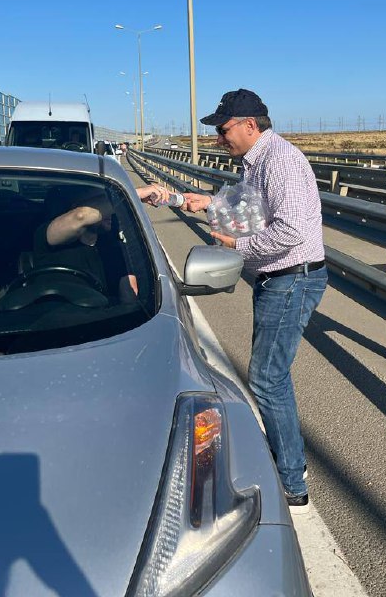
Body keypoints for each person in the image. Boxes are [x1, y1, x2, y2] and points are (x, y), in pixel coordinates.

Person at [183, 89, 326, 514]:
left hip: (291, 279)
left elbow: (291, 231)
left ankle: (291, 483)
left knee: (267, 378)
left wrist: (238, 245)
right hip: (279, 278)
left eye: (223, 129)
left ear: (250, 124)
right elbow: (253, 209)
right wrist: (209, 203)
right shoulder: (258, 162)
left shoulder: (278, 160)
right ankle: (289, 465)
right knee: (270, 376)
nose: (218, 138)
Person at [33, 183, 170, 303]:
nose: (110, 211)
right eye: (102, 205)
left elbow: (128, 295)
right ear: (75, 207)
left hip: (101, 321)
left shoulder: (113, 247)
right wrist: (133, 195)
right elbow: (80, 216)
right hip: (49, 321)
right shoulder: (47, 236)